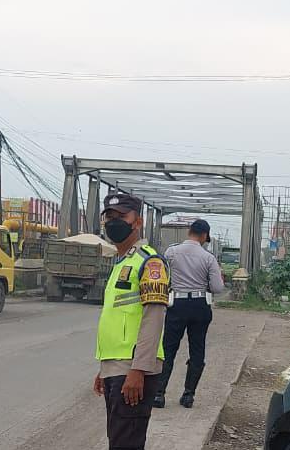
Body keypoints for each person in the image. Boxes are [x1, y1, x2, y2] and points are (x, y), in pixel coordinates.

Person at [92, 192, 170, 450]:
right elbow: (118, 319)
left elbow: (153, 319)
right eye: (109, 217)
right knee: (119, 440)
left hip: (134, 368)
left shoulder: (150, 262)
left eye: (122, 216)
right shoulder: (122, 263)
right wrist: (105, 368)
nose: (114, 222)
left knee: (126, 443)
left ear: (138, 222)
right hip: (117, 367)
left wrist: (138, 370)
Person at [153, 219, 225, 409]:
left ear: (189, 232)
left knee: (168, 349)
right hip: (200, 306)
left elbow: (163, 277)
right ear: (204, 236)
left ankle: (158, 394)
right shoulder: (208, 258)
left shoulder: (171, 252)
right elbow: (217, 287)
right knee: (197, 350)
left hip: (176, 304)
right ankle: (188, 395)